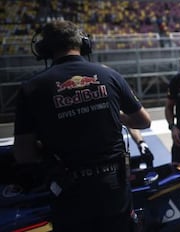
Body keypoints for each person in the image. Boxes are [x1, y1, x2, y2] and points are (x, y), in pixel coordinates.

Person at [13, 20, 151, 232]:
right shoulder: (109, 75)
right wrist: (113, 112)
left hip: (69, 192)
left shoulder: (31, 88)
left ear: (44, 49)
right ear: (84, 44)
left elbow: (23, 154)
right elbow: (143, 121)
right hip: (114, 189)